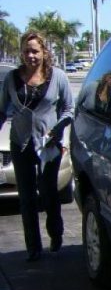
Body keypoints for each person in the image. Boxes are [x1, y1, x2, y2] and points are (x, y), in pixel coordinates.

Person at [0, 31, 74, 261]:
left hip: (48, 146)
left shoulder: (58, 77)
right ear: (21, 53)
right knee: (26, 197)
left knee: (49, 193)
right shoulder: (11, 78)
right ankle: (33, 247)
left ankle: (56, 232)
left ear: (44, 52)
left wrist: (58, 130)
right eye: (26, 51)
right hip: (20, 143)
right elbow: (2, 111)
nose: (30, 55)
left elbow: (68, 109)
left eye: (35, 51)